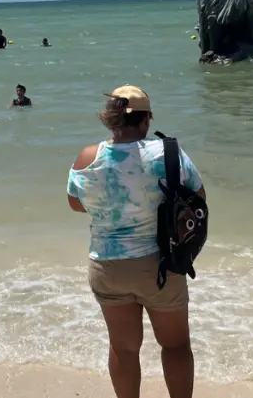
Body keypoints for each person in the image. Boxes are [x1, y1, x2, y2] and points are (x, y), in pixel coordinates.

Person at [67, 85, 204, 398]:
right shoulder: (166, 153)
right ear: (146, 119)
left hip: (107, 264)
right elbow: (198, 199)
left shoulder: (88, 157)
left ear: (111, 119)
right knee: (175, 345)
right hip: (160, 264)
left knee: (123, 348)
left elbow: (76, 203)